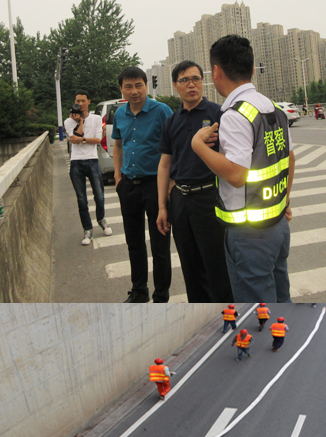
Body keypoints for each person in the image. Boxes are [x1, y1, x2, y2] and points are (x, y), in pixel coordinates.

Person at [191, 35, 295, 303]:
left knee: (257, 312)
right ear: (251, 70)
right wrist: (285, 201)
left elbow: (237, 175)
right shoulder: (274, 109)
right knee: (281, 300)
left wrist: (198, 146)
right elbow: (289, 157)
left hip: (250, 234)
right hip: (277, 225)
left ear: (216, 71)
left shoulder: (236, 115)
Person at [157, 60, 233, 303]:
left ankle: (226, 315)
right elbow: (165, 164)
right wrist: (162, 207)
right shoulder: (171, 121)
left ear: (203, 81)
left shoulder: (219, 114)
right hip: (180, 200)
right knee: (190, 268)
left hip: (210, 198)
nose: (191, 85)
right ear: (175, 85)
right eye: (184, 80)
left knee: (217, 266)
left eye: (196, 79)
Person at [112, 67, 173, 302]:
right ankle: (139, 291)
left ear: (146, 86)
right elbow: (118, 145)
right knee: (134, 242)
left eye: (139, 85)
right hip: (128, 185)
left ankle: (161, 295)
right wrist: (118, 176)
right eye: (128, 86)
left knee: (160, 244)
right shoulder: (120, 114)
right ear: (121, 89)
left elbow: (175, 147)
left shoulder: (162, 111)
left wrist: (171, 182)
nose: (134, 91)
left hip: (155, 186)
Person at [64, 91, 112, 246]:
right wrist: (80, 122)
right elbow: (74, 140)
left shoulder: (97, 118)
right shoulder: (68, 121)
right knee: (81, 199)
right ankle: (87, 230)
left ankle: (101, 220)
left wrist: (82, 139)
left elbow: (97, 140)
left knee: (99, 196)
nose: (80, 104)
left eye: (83, 101)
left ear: (89, 101)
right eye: (77, 101)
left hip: (92, 160)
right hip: (76, 162)